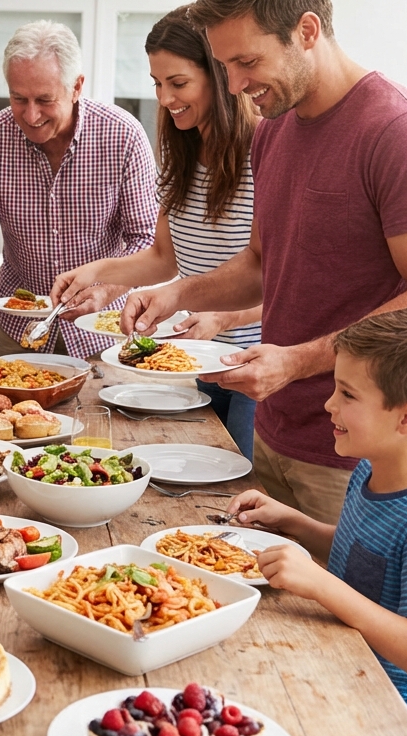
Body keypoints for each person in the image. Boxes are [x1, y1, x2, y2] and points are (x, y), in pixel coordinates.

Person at [121, 0, 407, 524]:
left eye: (248, 63)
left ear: (307, 31)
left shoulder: (403, 132)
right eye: (225, 67)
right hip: (275, 432)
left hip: (358, 455)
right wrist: (175, 293)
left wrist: (295, 362)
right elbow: (262, 265)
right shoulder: (273, 131)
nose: (235, 86)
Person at [225, 306, 407, 736]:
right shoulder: (369, 471)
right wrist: (292, 523)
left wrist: (320, 585)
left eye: (347, 394)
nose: (329, 404)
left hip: (393, 725)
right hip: (341, 671)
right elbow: (358, 553)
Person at [50, 7, 261, 459]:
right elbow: (163, 257)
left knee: (239, 489)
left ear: (221, 73)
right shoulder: (183, 153)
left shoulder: (265, 151)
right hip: (198, 361)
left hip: (256, 366)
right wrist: (95, 271)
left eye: (178, 83)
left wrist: (225, 317)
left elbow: (282, 280)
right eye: (156, 83)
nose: (165, 98)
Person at [0, 20, 160, 358]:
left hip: (103, 330)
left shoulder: (123, 136)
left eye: (45, 100)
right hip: (19, 332)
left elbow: (146, 239)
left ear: (77, 87)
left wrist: (107, 289)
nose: (30, 115)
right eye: (18, 98)